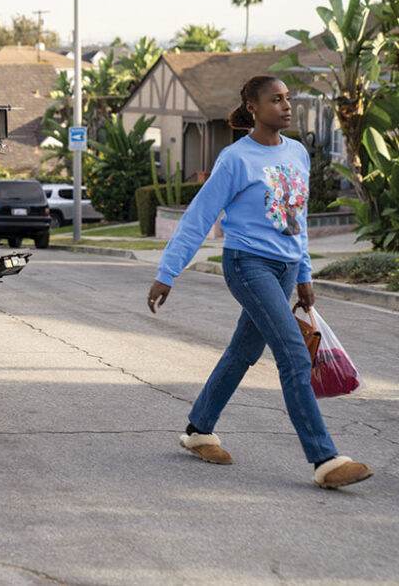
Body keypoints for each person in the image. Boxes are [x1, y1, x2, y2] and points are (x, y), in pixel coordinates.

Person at [147, 75, 373, 489]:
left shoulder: (298, 154)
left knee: (242, 353)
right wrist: (168, 272)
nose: (286, 106)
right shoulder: (236, 158)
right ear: (253, 107)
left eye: (288, 99)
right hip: (248, 265)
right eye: (276, 100)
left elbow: (297, 221)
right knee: (293, 355)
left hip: (286, 268)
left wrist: (303, 273)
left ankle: (199, 429)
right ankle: (324, 459)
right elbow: (199, 216)